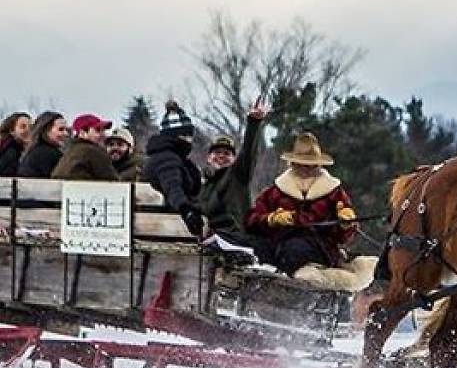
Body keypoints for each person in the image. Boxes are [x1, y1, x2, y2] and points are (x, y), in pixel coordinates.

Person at [245, 132, 375, 291]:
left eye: (311, 165)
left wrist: (346, 224)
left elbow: (344, 237)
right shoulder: (275, 191)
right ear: (292, 164)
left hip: (319, 249)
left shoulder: (335, 192)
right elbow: (251, 220)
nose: (306, 169)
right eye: (302, 164)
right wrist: (272, 219)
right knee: (254, 246)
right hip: (277, 247)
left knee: (295, 248)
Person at [199, 99, 273, 261]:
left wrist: (254, 123)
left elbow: (248, 154)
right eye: (217, 152)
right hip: (207, 240)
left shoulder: (237, 176)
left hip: (234, 239)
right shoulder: (202, 185)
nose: (221, 156)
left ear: (233, 158)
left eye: (227, 153)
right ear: (208, 157)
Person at [143, 101, 203, 237]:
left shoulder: (173, 158)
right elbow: (173, 187)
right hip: (168, 227)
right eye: (187, 135)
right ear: (176, 136)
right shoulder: (167, 160)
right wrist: (187, 211)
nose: (190, 140)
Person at [52, 114, 118, 181]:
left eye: (103, 130)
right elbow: (112, 180)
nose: (103, 134)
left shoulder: (71, 152)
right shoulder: (93, 152)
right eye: (98, 130)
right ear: (83, 133)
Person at [17, 111, 68, 178]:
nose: (66, 133)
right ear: (46, 130)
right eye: (61, 129)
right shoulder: (49, 154)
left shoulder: (33, 151)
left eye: (66, 129)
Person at [0, 112, 32, 176]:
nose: (28, 130)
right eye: (23, 127)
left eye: (31, 127)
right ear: (12, 131)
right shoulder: (11, 151)